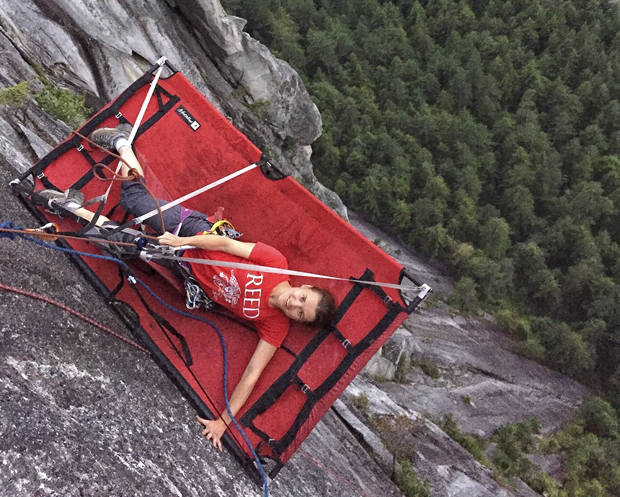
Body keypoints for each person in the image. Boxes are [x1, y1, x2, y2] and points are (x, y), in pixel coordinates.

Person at [38, 124, 336, 451]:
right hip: (197, 235)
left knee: (122, 243)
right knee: (135, 199)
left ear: (298, 321)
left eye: (300, 312)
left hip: (187, 273)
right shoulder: (276, 263)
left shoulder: (274, 325)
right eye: (303, 298)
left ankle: (71, 206)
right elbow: (224, 244)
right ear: (305, 286)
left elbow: (253, 372)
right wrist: (181, 241)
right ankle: (123, 142)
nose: (294, 303)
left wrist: (224, 422)